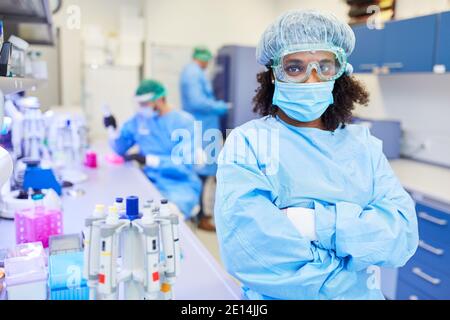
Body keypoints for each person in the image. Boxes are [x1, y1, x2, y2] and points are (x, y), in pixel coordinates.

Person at [214, 10, 419, 300]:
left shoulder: (363, 145)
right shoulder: (249, 143)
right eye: (295, 67)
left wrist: (312, 224)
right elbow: (252, 254)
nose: (312, 80)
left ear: (341, 72)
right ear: (273, 74)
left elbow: (401, 236)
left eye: (324, 66)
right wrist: (352, 265)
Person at [104, 79, 201, 219]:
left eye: (144, 103)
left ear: (160, 99)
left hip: (178, 186)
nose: (141, 107)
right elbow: (120, 148)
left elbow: (185, 164)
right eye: (139, 104)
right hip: (148, 180)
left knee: (165, 221)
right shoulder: (140, 120)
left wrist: (148, 160)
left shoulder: (184, 122)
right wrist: (113, 130)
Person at [180, 46, 229, 231]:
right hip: (201, 129)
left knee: (204, 172)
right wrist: (219, 106)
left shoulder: (194, 72)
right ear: (203, 58)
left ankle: (201, 214)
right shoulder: (192, 73)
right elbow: (196, 102)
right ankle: (201, 216)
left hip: (205, 128)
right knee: (201, 173)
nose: (208, 63)